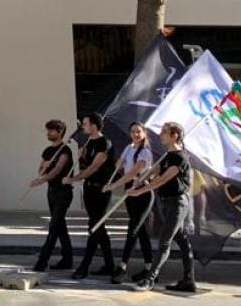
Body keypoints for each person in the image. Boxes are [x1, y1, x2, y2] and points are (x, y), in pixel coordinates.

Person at [130, 122, 196, 293]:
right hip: (167, 202)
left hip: (177, 203)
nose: (160, 134)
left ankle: (150, 279)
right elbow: (154, 171)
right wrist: (140, 178)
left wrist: (140, 191)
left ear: (175, 136)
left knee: (165, 241)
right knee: (181, 240)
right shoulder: (167, 156)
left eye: (164, 132)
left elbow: (163, 179)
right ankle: (189, 281)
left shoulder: (180, 157)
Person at [65, 113, 116, 279]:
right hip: (89, 188)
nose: (83, 126)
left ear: (94, 125)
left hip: (101, 190)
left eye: (86, 124)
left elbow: (94, 167)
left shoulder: (104, 143)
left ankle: (84, 266)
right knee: (98, 227)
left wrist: (73, 179)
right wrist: (81, 156)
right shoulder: (88, 142)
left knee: (94, 227)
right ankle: (110, 265)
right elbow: (86, 165)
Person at [105, 122, 155, 284]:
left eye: (138, 132)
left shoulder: (145, 152)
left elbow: (133, 172)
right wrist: (118, 164)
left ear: (144, 133)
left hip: (142, 189)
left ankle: (122, 266)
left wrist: (113, 186)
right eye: (133, 131)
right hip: (130, 188)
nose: (135, 134)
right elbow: (120, 164)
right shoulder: (128, 148)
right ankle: (149, 268)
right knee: (141, 231)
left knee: (133, 229)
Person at [29, 120, 74, 273]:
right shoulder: (48, 150)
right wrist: (44, 166)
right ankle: (68, 259)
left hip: (63, 192)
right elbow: (40, 169)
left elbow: (57, 172)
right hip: (52, 192)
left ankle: (42, 261)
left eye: (51, 131)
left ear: (59, 132)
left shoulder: (65, 151)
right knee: (60, 226)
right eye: (47, 130)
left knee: (54, 227)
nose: (48, 133)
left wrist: (40, 181)